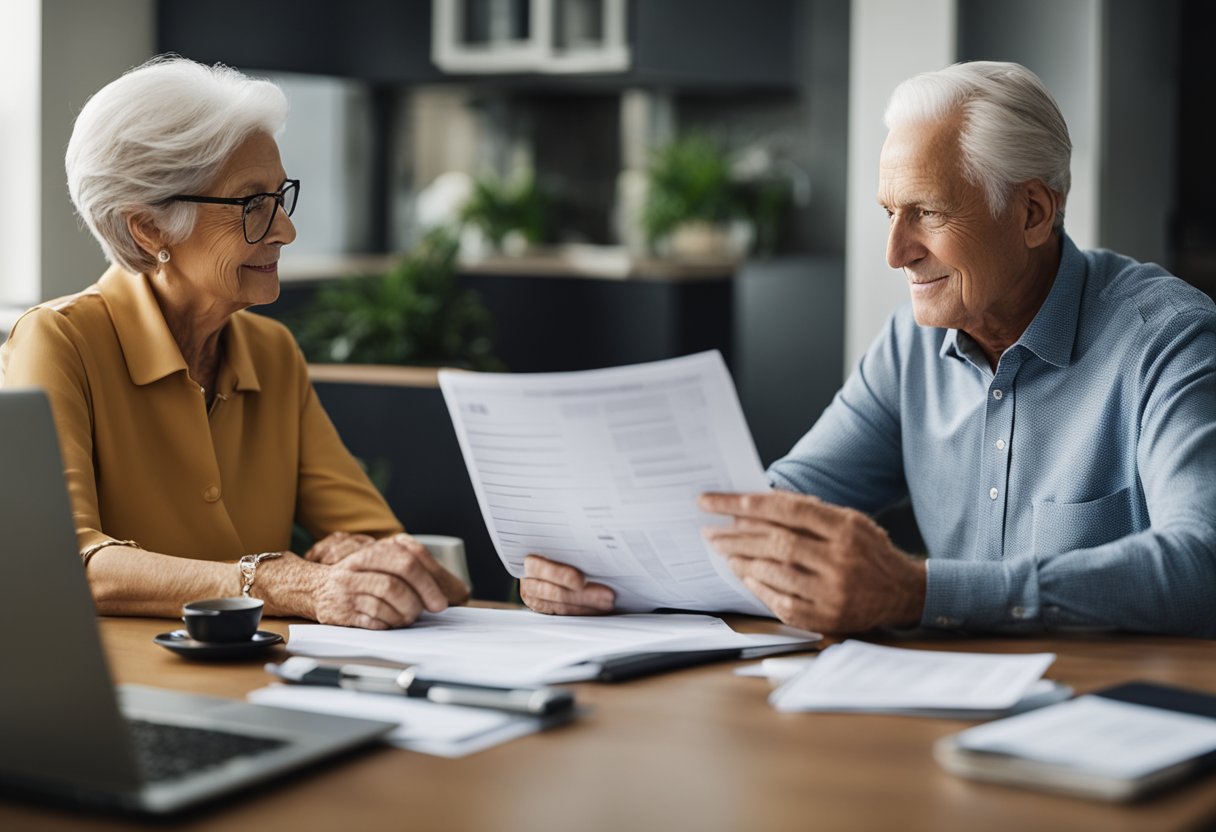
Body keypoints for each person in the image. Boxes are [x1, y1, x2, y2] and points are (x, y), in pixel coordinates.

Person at [522, 61, 1216, 636]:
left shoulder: (1170, 339)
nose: (896, 253)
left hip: (1117, 718)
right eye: (890, 214)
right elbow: (783, 506)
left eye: (928, 213)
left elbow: (1202, 561)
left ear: (1032, 212)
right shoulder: (908, 348)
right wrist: (602, 565)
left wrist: (920, 591)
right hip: (945, 714)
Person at [0, 57, 468, 629]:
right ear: (148, 227)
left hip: (265, 679)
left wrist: (364, 559)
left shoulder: (272, 353)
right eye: (251, 205)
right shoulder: (59, 341)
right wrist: (276, 580)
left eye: (280, 196)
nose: (285, 230)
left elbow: (383, 545)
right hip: (122, 690)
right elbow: (67, 561)